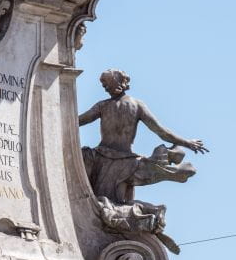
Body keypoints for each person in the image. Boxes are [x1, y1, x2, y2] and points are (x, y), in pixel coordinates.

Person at [79, 69, 207, 205]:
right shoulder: (115, 105)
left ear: (116, 82)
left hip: (116, 162)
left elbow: (160, 131)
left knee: (111, 206)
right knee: (111, 206)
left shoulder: (105, 106)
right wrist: (187, 143)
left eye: (106, 84)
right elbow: (162, 131)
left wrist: (187, 143)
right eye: (104, 85)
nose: (105, 88)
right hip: (114, 160)